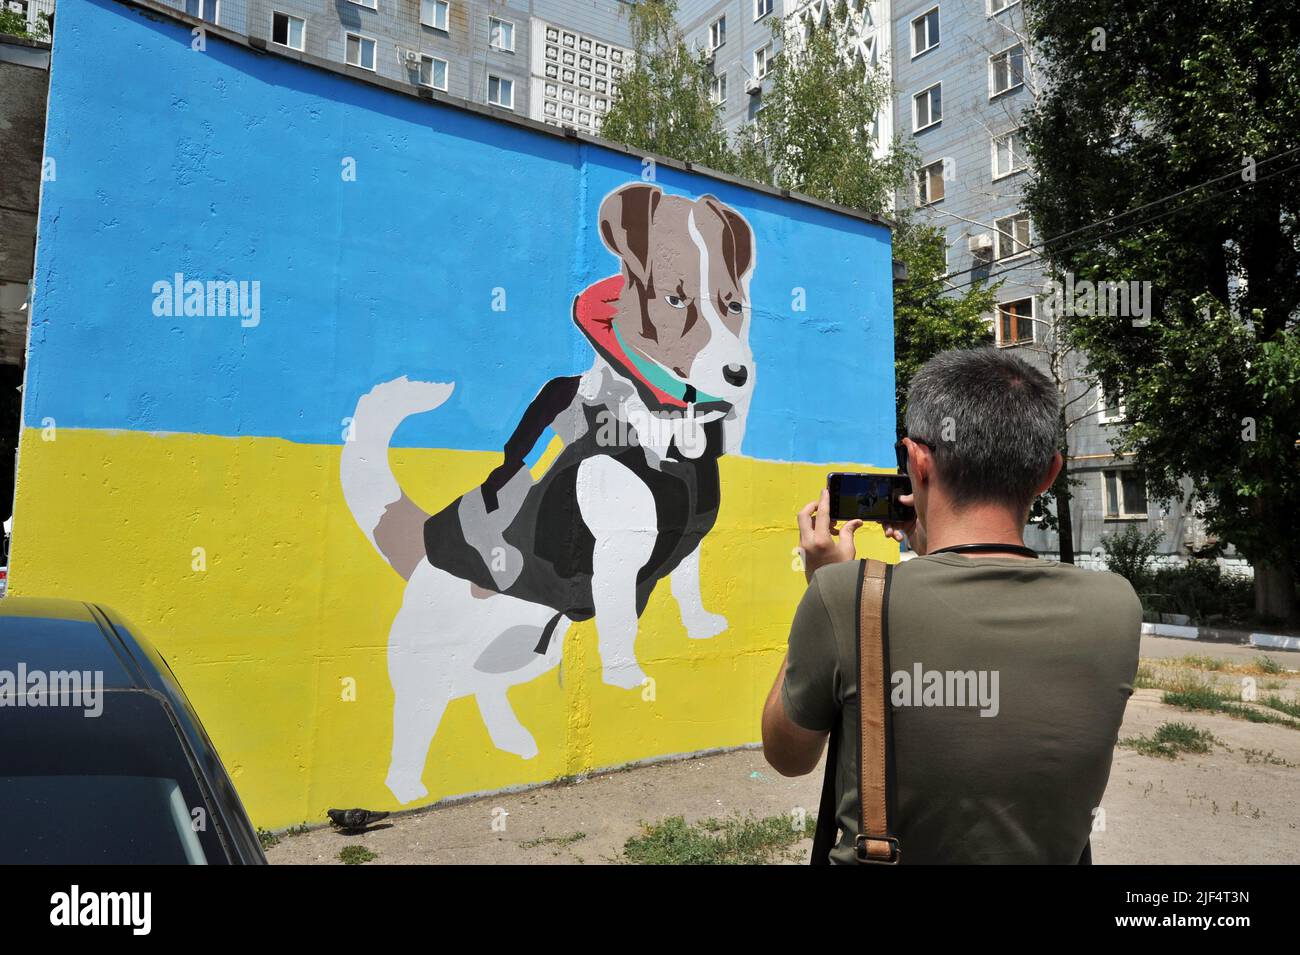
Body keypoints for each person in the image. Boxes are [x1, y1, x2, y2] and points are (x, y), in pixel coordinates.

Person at [761, 346, 1142, 864]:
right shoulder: (1116, 606)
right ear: (1049, 472)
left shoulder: (846, 595)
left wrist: (824, 584)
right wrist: (934, 545)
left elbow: (787, 756)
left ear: (917, 461)